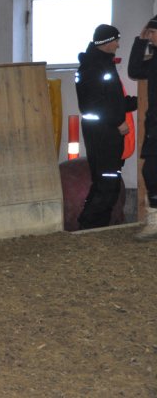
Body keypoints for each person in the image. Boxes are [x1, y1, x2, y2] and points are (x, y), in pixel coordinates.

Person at [74, 24, 137, 230]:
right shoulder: (93, 68)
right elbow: (94, 104)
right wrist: (117, 121)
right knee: (107, 184)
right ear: (107, 42)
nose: (118, 45)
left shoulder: (101, 64)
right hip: (102, 134)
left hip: (104, 132)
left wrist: (141, 101)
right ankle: (90, 228)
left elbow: (114, 100)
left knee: (105, 183)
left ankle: (92, 228)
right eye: (116, 40)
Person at [129, 15, 157, 239]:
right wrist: (140, 41)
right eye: (150, 33)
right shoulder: (154, 60)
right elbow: (135, 70)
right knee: (150, 171)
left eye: (153, 33)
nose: (151, 37)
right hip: (155, 124)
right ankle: (155, 221)